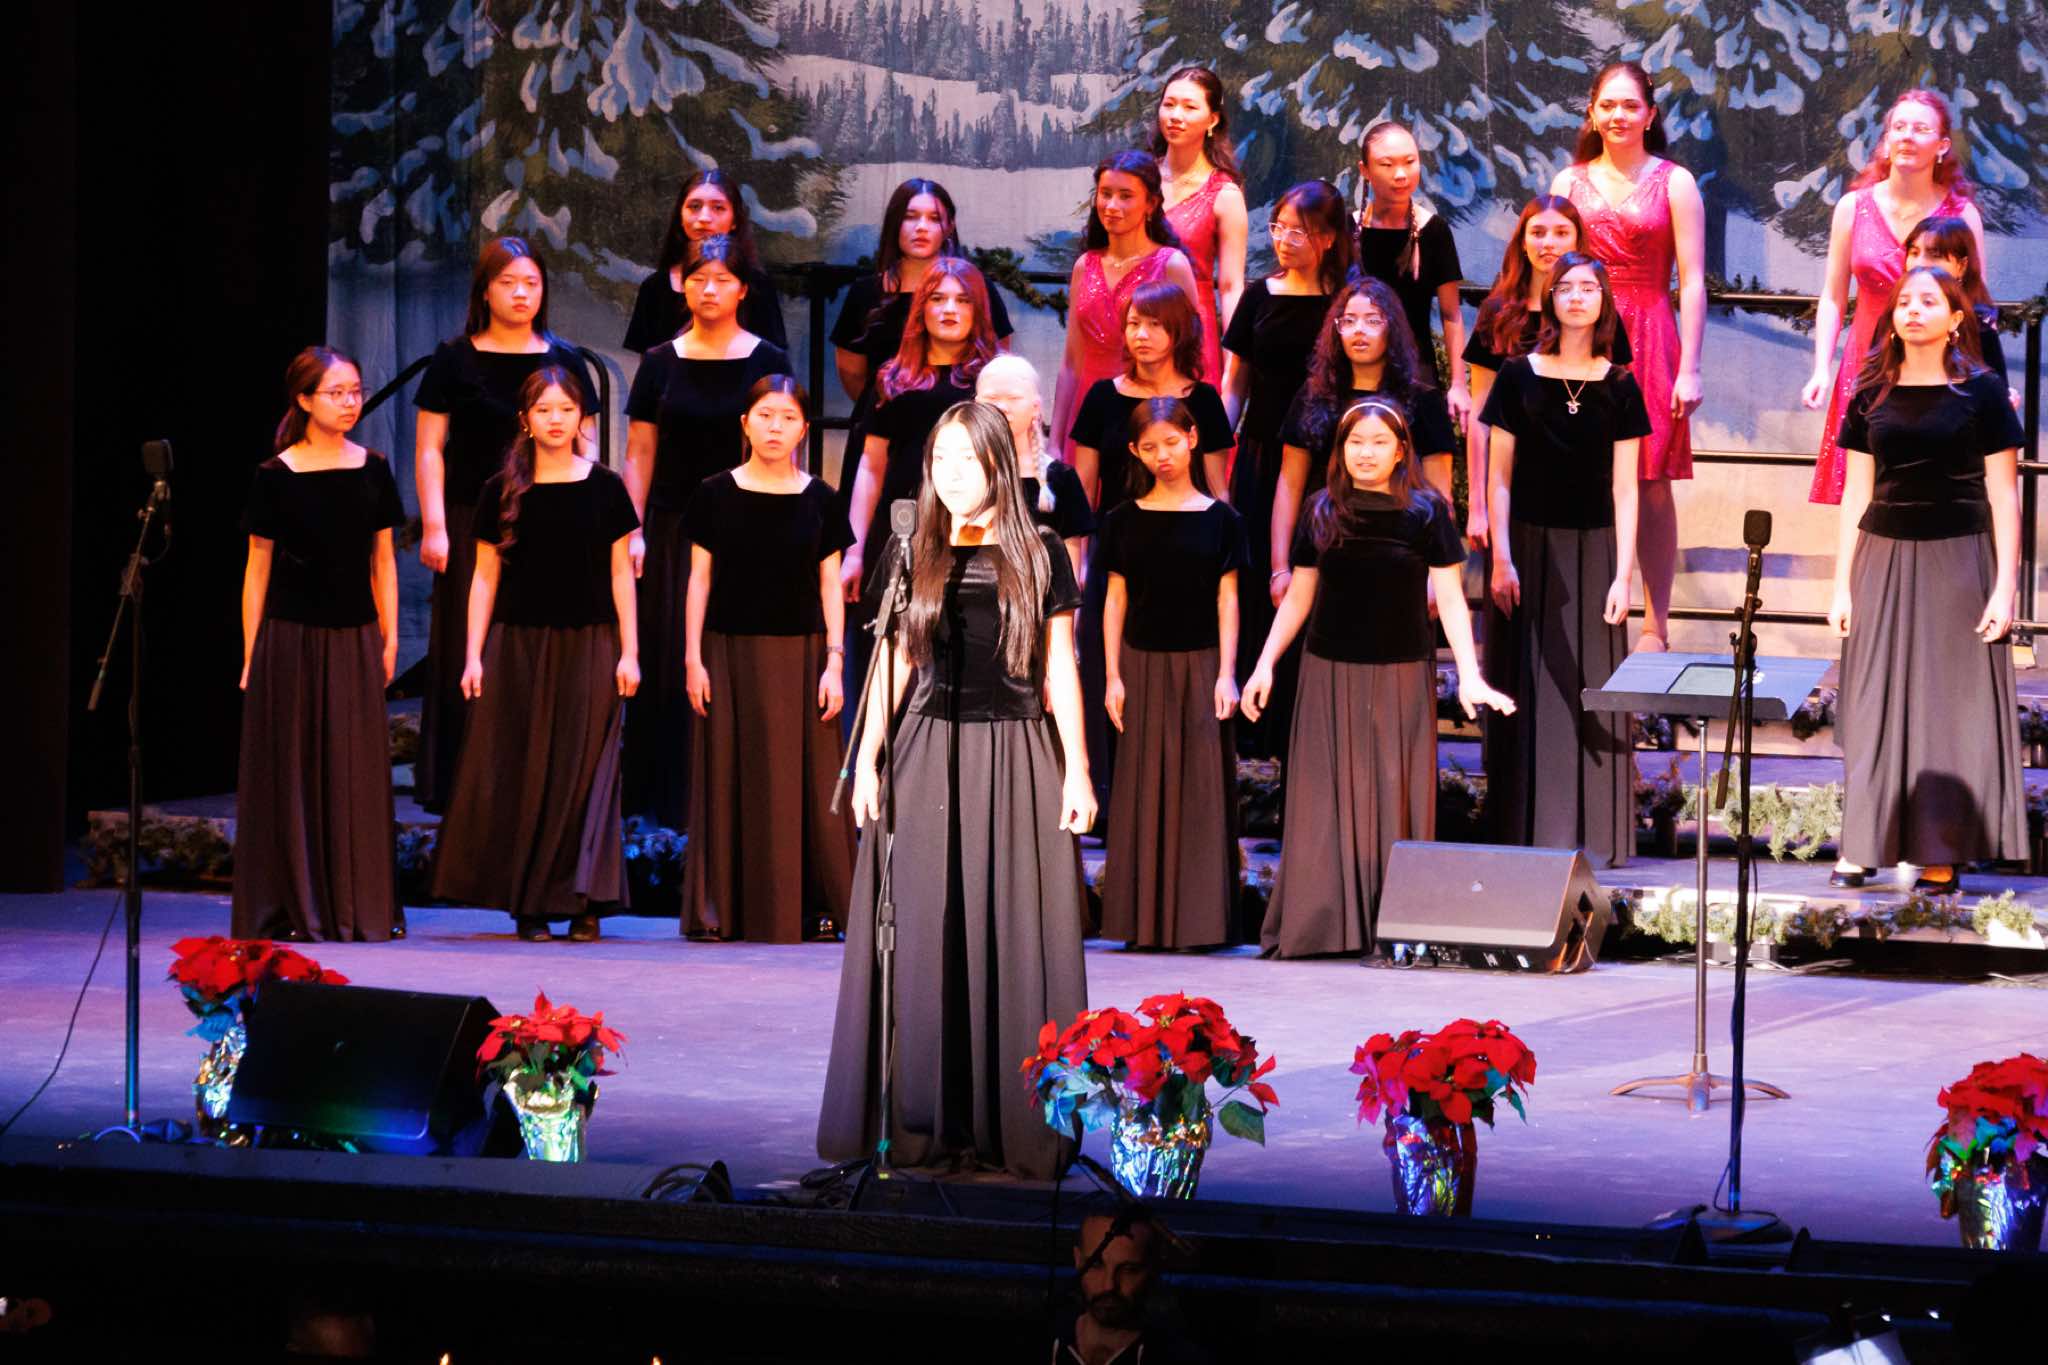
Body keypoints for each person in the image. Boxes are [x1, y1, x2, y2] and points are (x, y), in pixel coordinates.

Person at [817, 401, 1092, 1181]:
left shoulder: (1041, 551)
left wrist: (1077, 767)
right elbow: (893, 663)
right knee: (925, 932)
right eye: (940, 461)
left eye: (968, 460)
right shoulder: (913, 549)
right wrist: (867, 756)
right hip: (927, 750)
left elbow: (1058, 666)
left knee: (1014, 931)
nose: (951, 475)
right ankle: (922, 1116)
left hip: (1016, 754)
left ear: (1000, 465)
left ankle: (1015, 1122)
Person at [1243, 398, 1512, 958]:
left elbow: (1451, 600)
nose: (1366, 453)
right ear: (1341, 451)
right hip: (1328, 674)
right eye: (1356, 442)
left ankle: (1395, 928)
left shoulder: (1426, 512)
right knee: (1324, 803)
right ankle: (1324, 925)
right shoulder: (1321, 509)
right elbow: (1299, 595)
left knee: (1395, 794)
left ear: (1400, 451)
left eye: (1379, 442)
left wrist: (1469, 675)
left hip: (1400, 674)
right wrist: (1265, 663)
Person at [1827, 265, 2025, 895]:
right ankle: (1862, 845)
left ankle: (1940, 850)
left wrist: (2005, 587)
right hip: (1882, 555)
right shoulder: (1870, 391)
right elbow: (1856, 492)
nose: (1913, 310)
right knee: (1872, 703)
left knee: (1947, 708)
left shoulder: (1982, 392)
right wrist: (1840, 584)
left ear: (1956, 318)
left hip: (1959, 556)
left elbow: (2004, 494)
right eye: (1904, 301)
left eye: (1928, 301)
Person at [432, 368, 641, 941]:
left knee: (585, 772)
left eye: (566, 409)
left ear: (581, 418)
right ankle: (530, 902)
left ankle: (585, 901)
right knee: (525, 770)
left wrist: (630, 652)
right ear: (525, 418)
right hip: (519, 645)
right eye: (544, 409)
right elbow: (484, 577)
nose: (555, 419)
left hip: (590, 642)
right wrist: (473, 654)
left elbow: (621, 574)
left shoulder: (605, 487)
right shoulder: (502, 489)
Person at [413, 236, 598, 812]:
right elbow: (429, 448)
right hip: (471, 516)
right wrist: (434, 524)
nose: (521, 294)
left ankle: (533, 773)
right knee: (467, 641)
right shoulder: (454, 357)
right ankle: (461, 778)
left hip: (547, 521)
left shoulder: (563, 360)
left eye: (531, 283)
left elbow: (586, 445)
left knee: (533, 640)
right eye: (508, 283)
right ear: (485, 291)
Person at [1479, 253, 1646, 868]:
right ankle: (1525, 831)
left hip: (1596, 548)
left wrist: (1624, 572)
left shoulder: (1620, 384)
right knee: (1530, 683)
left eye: (1589, 288)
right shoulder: (1517, 376)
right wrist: (1501, 557)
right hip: (1528, 547)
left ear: (1604, 301)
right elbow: (1499, 477)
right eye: (1566, 287)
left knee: (1592, 686)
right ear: (1549, 299)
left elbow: (1626, 487)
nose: (1577, 297)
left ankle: (1597, 837)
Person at [622, 235, 793, 829]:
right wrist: (633, 529)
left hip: (747, 530)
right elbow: (640, 451)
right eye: (698, 279)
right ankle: (670, 804)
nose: (710, 289)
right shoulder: (659, 361)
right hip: (673, 528)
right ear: (683, 287)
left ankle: (739, 797)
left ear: (743, 289)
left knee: (738, 656)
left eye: (722, 279)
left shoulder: (768, 359)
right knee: (675, 657)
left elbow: (783, 448)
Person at [233, 347, 403, 943]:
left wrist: (389, 639)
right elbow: (257, 568)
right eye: (336, 393)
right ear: (304, 400)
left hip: (354, 633)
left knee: (355, 770)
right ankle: (293, 903)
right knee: (293, 768)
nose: (350, 402)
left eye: (356, 391)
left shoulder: (373, 468)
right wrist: (251, 652)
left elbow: (384, 561)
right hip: (290, 638)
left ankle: (357, 904)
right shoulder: (275, 475)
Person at [682, 376, 855, 943]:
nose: (775, 427)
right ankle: (722, 909)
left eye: (787, 418)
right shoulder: (713, 493)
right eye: (764, 415)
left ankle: (817, 907)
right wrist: (693, 658)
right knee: (729, 776)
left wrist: (834, 661)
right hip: (728, 652)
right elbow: (699, 580)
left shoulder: (821, 498)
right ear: (745, 423)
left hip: (802, 656)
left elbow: (831, 586)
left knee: (808, 783)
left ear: (804, 429)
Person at [1553, 62, 1706, 653]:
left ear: (1650, 114)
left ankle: (1654, 625)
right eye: (1608, 105)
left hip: (1650, 334)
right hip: (1581, 335)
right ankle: (1586, 609)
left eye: (1630, 105)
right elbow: (1550, 269)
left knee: (1651, 482)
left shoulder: (1675, 182)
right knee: (1580, 472)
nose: (1618, 116)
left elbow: (1693, 280)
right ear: (1592, 113)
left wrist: (1690, 366)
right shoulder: (1569, 183)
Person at [1068, 281, 1235, 810]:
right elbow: (1083, 492)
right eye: (1133, 324)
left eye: (1154, 324)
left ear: (1178, 330)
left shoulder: (1202, 401)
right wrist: (1080, 561)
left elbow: (1218, 490)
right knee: (1110, 677)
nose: (1140, 335)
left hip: (1188, 559)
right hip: (1120, 555)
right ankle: (1111, 803)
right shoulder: (1103, 397)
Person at [1100, 399, 1247, 950]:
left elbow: (1227, 601)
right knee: (1142, 788)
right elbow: (1115, 600)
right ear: (1135, 451)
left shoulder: (1222, 520)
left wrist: (1226, 673)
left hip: (1201, 664)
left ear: (1192, 438)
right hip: (1141, 665)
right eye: (1149, 447)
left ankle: (1199, 924)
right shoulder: (1121, 520)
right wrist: (1113, 676)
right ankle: (1142, 922)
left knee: (1201, 792)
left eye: (1170, 442)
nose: (1162, 455)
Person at [1219, 181, 1357, 759]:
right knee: (1260, 582)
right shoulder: (1259, 295)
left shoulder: (1348, 302)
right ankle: (1255, 729)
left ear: (1327, 238)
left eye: (1298, 231)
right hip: (1261, 456)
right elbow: (1236, 384)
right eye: (1278, 228)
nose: (1284, 240)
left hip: (1328, 464)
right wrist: (1216, 459)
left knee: (1320, 582)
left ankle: (1310, 725)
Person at [839, 257, 1004, 726]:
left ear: (978, 310)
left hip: (970, 537)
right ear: (921, 310)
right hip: (900, 531)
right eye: (938, 299)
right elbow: (870, 467)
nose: (949, 309)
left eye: (962, 300)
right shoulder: (894, 378)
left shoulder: (990, 380)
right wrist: (855, 551)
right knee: (891, 653)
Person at [1804, 91, 1983, 507]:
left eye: (1920, 129)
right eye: (1898, 127)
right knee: (1861, 493)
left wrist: (1982, 376)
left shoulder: (1961, 215)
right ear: (1885, 141)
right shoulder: (1854, 207)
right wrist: (1821, 368)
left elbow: (1974, 305)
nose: (1907, 136)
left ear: (1942, 145)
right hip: (1866, 364)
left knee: (1924, 491)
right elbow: (1833, 296)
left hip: (1934, 368)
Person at [1462, 195, 1634, 548]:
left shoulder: (1599, 315)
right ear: (1522, 242)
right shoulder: (1498, 314)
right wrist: (1477, 504)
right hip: (1513, 488)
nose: (1549, 243)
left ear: (1577, 240)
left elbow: (1618, 414)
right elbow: (1480, 418)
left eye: (1561, 233)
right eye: (1538, 233)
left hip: (1586, 493)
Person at [829, 177, 1015, 450]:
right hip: (881, 434)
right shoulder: (866, 293)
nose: (921, 227)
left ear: (949, 227)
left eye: (933, 218)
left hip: (963, 437)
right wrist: (893, 410)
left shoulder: (978, 289)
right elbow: (851, 372)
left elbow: (997, 363)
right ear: (894, 223)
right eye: (910, 217)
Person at [1051, 150, 1201, 462]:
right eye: (1105, 194)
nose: (1112, 205)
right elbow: (1071, 363)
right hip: (1089, 411)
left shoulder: (1171, 265)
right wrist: (1054, 440)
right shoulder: (1085, 265)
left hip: (1149, 413)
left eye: (1126, 196)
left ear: (1151, 204)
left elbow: (1190, 355)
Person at [1355, 121, 1471, 428]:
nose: (1401, 174)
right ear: (1365, 170)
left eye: (1410, 161)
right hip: (1355, 370)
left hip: (1416, 370)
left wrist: (1458, 384)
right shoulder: (1348, 229)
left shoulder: (1434, 231)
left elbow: (1451, 314)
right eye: (1387, 164)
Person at [621, 168, 789, 352]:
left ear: (735, 220)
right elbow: (648, 367)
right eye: (694, 206)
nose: (704, 218)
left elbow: (772, 364)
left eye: (718, 208)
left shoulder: (758, 286)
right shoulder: (654, 288)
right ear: (680, 216)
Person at [1154, 65, 1248, 385]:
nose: (1175, 115)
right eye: (1169, 104)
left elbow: (1231, 287)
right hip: (1134, 322)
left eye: (1189, 107)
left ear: (1213, 120)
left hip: (1192, 331)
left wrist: (1232, 368)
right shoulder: (1139, 180)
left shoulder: (1224, 193)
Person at [977, 353, 1093, 584]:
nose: (1002, 406)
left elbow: (1070, 574)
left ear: (1036, 407)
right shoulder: (960, 475)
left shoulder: (1061, 479)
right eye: (992, 398)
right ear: (976, 404)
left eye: (1014, 398)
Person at [1050, 1206, 1211, 1365]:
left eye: (1129, 1270)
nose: (1109, 1285)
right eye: (1096, 1265)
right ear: (1078, 1260)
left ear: (1154, 1269)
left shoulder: (1179, 1357)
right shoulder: (1043, 1341)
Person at [1901, 215, 2011, 391]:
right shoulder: (1897, 317)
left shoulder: (1978, 327)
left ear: (1961, 265)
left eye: (1935, 255)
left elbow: (1998, 393)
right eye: (1914, 253)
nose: (1919, 263)